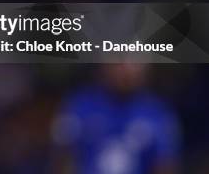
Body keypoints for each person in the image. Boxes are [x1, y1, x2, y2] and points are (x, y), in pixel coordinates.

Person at [52, 64, 180, 174]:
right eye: (118, 62)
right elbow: (63, 158)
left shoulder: (158, 113)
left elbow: (165, 164)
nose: (125, 69)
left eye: (132, 62)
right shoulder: (79, 106)